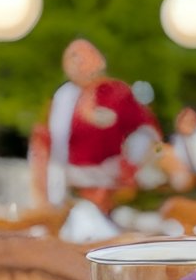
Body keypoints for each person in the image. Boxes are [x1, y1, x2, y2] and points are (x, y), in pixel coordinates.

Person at [30, 38, 158, 206]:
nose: (77, 61)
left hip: (109, 188)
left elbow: (148, 134)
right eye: (72, 56)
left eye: (83, 55)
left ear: (98, 60)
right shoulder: (62, 97)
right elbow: (44, 142)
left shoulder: (116, 92)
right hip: (67, 186)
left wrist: (133, 164)